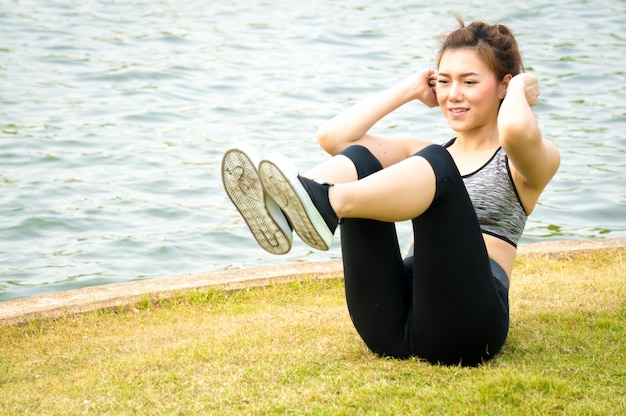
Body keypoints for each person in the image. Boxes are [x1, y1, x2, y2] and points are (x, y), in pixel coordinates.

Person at [221, 18, 560, 366]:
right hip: (390, 324)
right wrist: (410, 89)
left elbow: (516, 128)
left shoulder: (523, 161)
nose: (453, 94)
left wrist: (520, 87)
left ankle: (324, 202)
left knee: (438, 164)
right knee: (363, 159)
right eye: (444, 82)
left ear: (502, 85)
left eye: (469, 82)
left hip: (468, 325)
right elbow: (335, 139)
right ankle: (292, 205)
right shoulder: (425, 152)